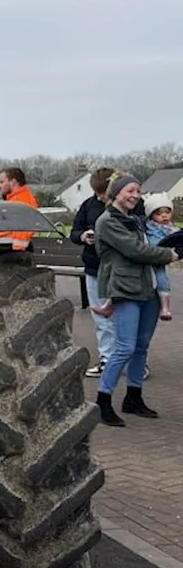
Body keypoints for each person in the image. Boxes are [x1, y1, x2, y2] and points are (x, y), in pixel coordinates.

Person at [91, 174, 179, 426]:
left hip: (147, 289)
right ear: (116, 192)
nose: (134, 195)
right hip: (125, 289)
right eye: (129, 190)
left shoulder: (134, 221)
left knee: (141, 347)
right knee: (124, 347)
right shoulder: (107, 221)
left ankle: (133, 397)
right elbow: (135, 250)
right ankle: (103, 401)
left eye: (138, 191)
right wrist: (168, 254)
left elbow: (148, 245)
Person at [70, 167, 117, 377]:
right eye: (97, 192)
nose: (100, 197)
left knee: (125, 315)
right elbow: (74, 232)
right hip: (94, 267)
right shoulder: (88, 205)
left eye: (103, 192)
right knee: (100, 316)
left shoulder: (130, 205)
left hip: (120, 270)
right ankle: (107, 357)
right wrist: (83, 236)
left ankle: (132, 361)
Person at [143, 192, 178, 321]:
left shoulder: (171, 229)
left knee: (162, 279)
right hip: (150, 254)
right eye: (158, 213)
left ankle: (165, 308)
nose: (164, 216)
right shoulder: (148, 227)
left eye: (167, 212)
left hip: (160, 259)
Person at [0, 166, 40, 250]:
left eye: (2, 182)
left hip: (13, 251)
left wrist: (17, 250)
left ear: (13, 182)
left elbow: (23, 228)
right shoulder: (16, 199)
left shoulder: (21, 201)